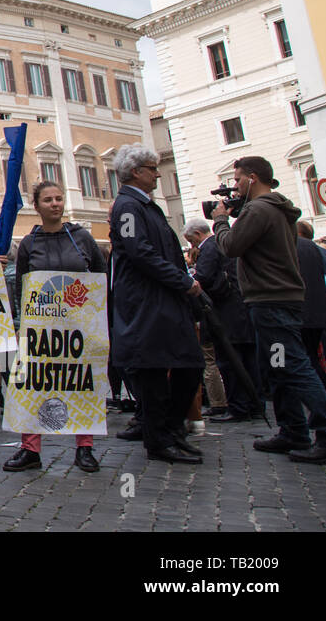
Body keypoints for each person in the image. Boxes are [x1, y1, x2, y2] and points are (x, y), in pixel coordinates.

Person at [212, 157, 326, 463]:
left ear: (252, 178)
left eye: (237, 180)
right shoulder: (279, 210)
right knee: (278, 368)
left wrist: (222, 220)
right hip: (276, 299)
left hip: (270, 300)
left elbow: (231, 246)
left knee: (293, 365)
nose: (234, 187)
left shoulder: (259, 209)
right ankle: (293, 429)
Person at [108, 144, 204, 465]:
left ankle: (171, 430)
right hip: (146, 306)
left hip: (163, 302)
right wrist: (184, 281)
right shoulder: (127, 207)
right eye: (152, 168)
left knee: (190, 366)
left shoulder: (145, 206)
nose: (157, 173)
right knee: (153, 375)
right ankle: (159, 439)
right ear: (136, 172)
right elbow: (140, 252)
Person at [2, 180, 105, 473]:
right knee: (35, 385)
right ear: (37, 206)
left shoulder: (82, 237)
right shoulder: (29, 244)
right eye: (48, 200)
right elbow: (23, 285)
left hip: (79, 327)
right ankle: (30, 448)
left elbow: (99, 277)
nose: (55, 204)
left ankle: (85, 447)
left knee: (81, 383)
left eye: (59, 198)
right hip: (41, 330)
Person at [185, 218, 259, 423]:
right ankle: (254, 403)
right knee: (247, 360)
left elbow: (205, 277)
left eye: (192, 241)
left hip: (225, 314)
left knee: (229, 361)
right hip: (240, 310)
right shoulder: (223, 245)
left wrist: (193, 279)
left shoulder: (209, 247)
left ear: (198, 235)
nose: (193, 246)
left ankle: (238, 407)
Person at [295, 220, 326, 396]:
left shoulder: (298, 249)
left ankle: (321, 408)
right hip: (317, 315)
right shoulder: (319, 251)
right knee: (312, 359)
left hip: (305, 316)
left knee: (303, 362)